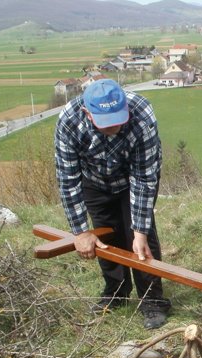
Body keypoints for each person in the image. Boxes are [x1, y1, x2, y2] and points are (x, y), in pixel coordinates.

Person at [54, 78, 171, 329]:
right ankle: (117, 290)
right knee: (104, 235)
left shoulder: (142, 115)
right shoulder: (69, 121)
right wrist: (80, 232)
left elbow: (145, 177)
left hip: (133, 179)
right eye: (106, 123)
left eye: (119, 119)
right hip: (93, 180)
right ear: (87, 112)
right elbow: (67, 179)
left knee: (141, 240)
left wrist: (139, 231)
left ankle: (152, 300)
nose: (115, 127)